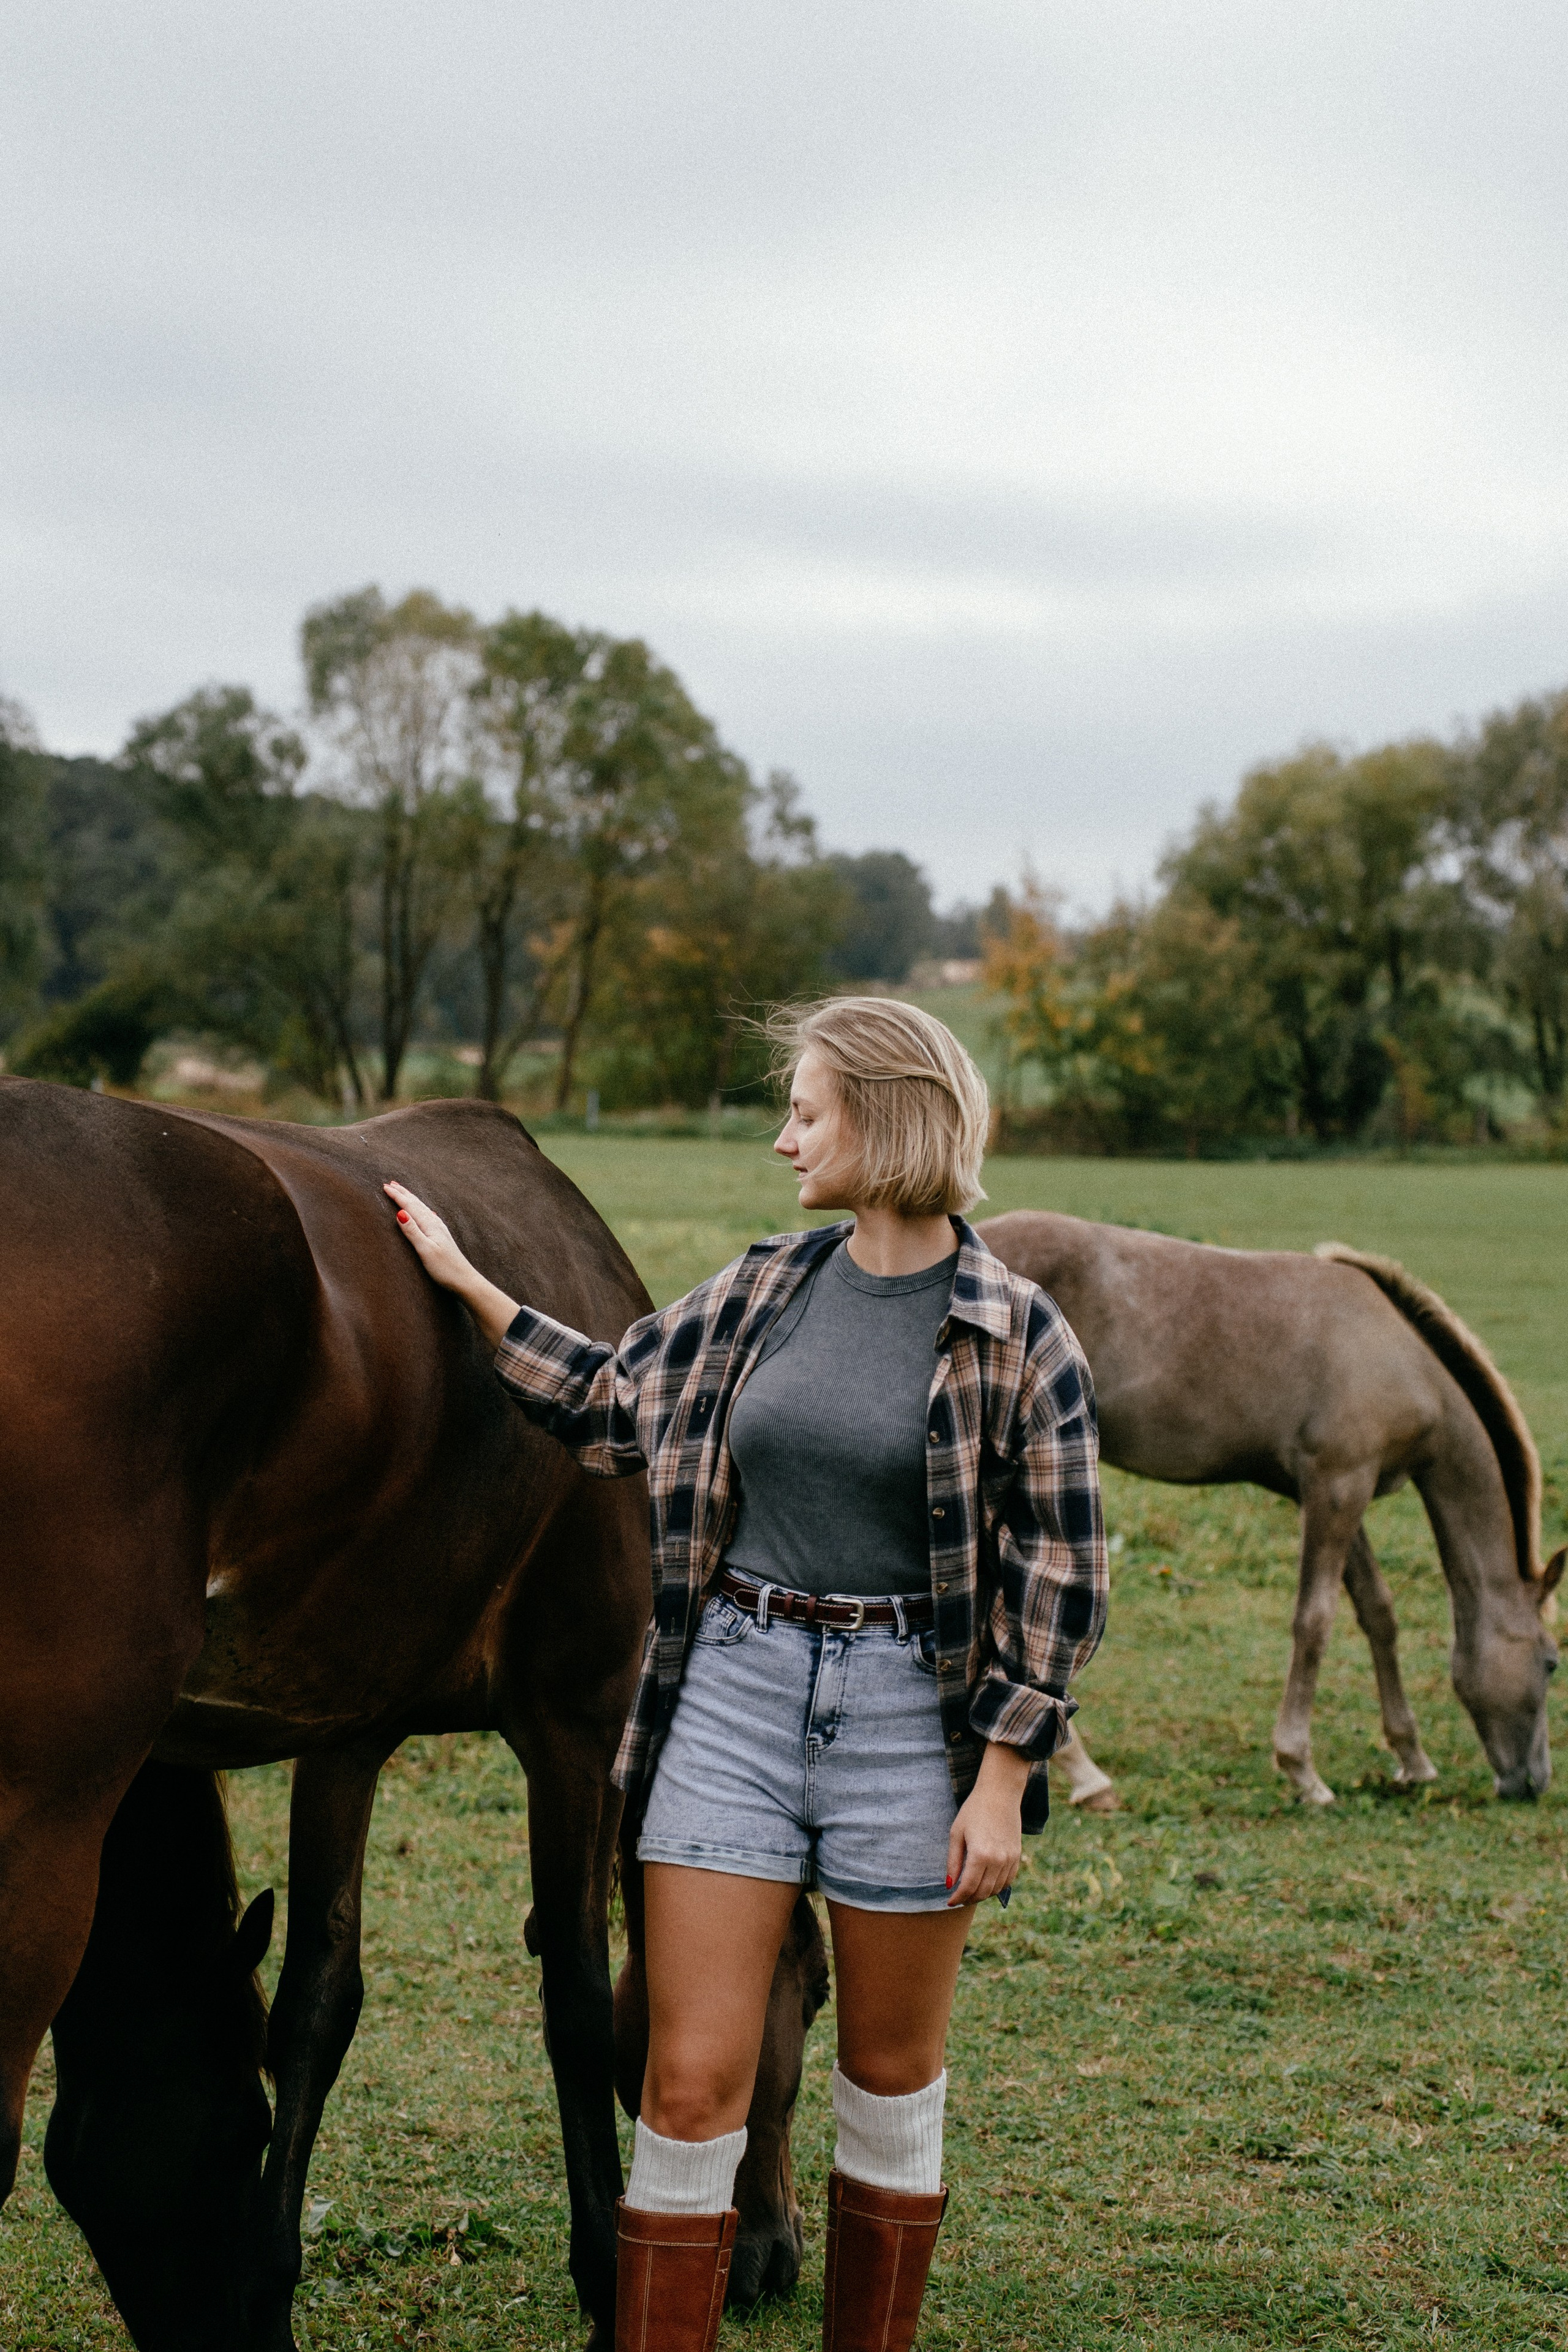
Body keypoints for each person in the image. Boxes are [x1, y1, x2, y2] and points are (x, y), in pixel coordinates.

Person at [385, 997, 1106, 2352]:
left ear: (885, 1118)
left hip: (909, 1715)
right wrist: (470, 1287)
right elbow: (612, 1401)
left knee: (887, 2079)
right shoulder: (767, 1286)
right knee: (689, 2077)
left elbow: (1060, 1576)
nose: (784, 1140)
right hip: (730, 1691)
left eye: (806, 1111)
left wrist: (1003, 1776)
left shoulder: (1017, 1337)